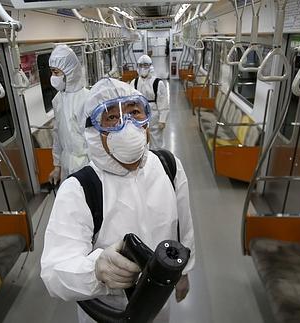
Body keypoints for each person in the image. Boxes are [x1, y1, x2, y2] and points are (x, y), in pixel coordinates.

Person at [40, 78, 195, 323]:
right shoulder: (79, 188)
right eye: (112, 118)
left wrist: (183, 272)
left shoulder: (168, 165)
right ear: (93, 128)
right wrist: (95, 271)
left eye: (134, 112)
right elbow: (54, 271)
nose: (127, 126)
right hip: (106, 311)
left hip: (158, 303)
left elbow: (183, 226)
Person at [48, 44, 90, 184]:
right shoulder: (58, 100)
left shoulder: (87, 99)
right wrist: (57, 165)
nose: (53, 77)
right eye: (52, 72)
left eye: (56, 72)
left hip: (86, 164)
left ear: (69, 72)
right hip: (66, 162)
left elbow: (94, 139)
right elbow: (57, 135)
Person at [130, 54, 169, 149]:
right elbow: (130, 103)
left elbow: (163, 103)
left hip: (154, 116)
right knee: (140, 141)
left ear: (150, 66)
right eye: (141, 65)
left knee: (156, 141)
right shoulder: (133, 83)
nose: (143, 68)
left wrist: (162, 120)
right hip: (138, 117)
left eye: (146, 65)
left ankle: (159, 158)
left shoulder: (157, 83)